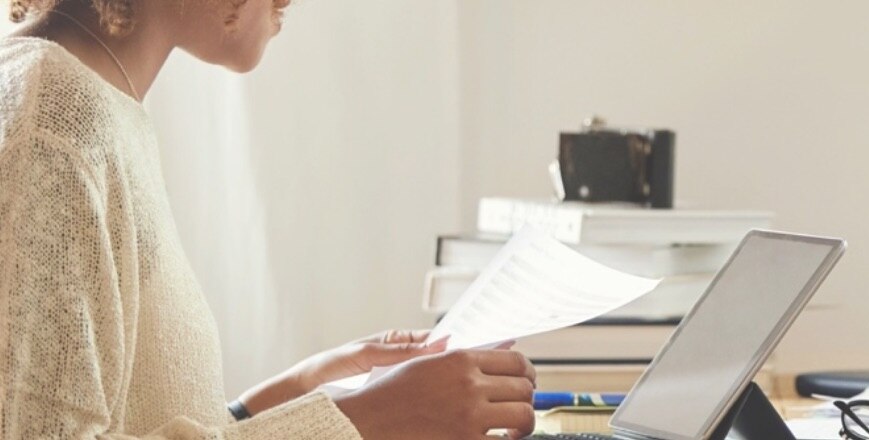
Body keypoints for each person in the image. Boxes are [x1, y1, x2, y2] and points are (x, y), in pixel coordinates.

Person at [0, 0, 537, 438]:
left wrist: (297, 391)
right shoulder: (51, 119)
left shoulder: (92, 102)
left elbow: (139, 419)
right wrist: (364, 420)